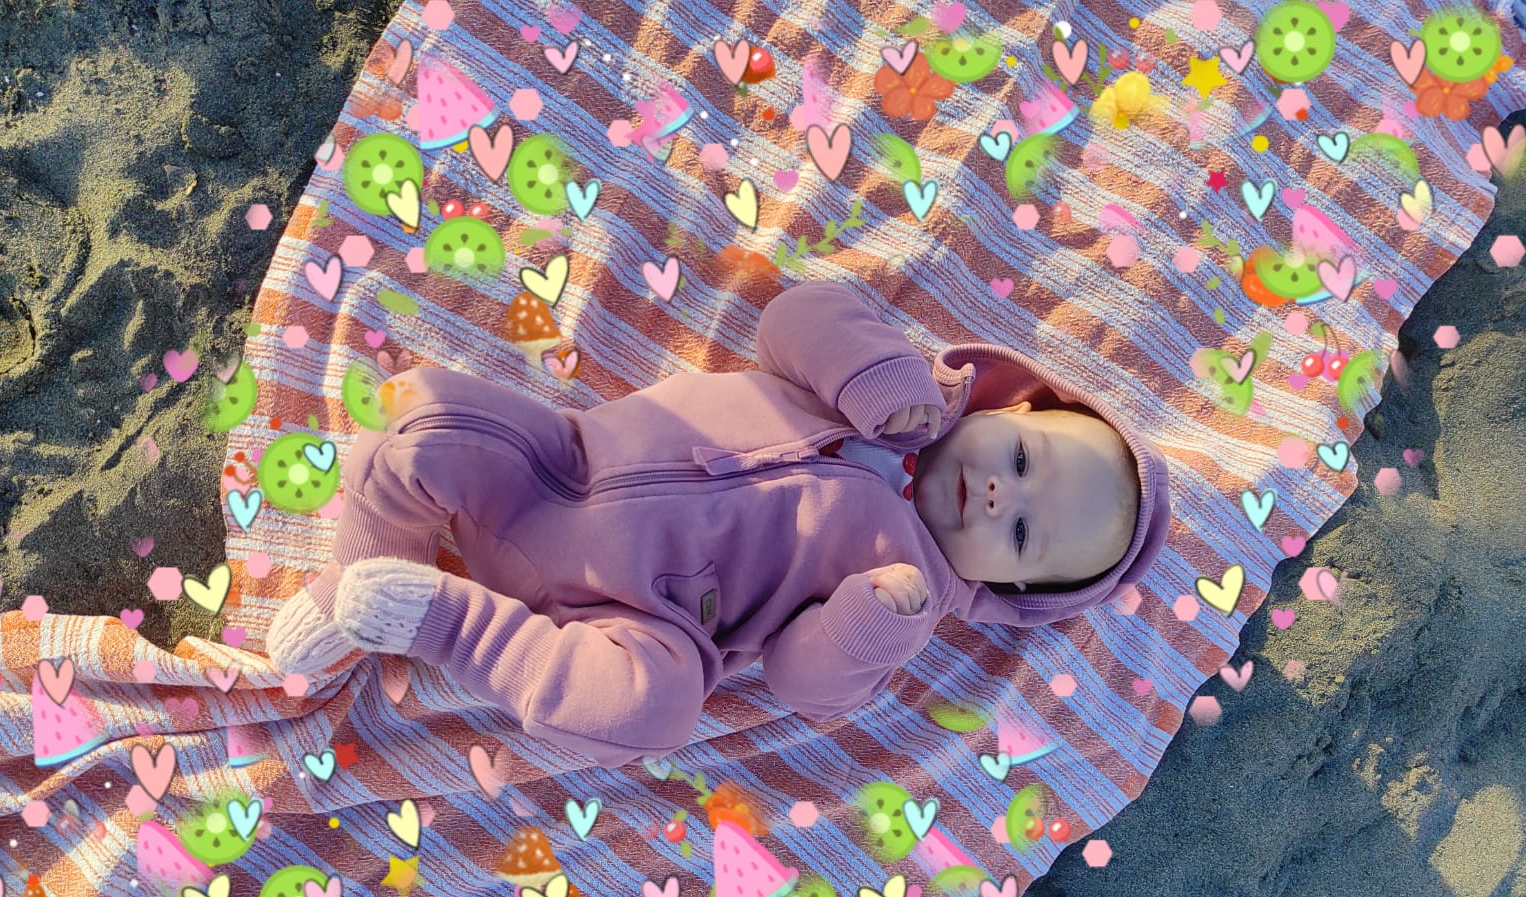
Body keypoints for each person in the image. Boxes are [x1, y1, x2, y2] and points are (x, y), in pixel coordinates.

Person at [266, 280, 1171, 768]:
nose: (1002, 496)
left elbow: (802, 679)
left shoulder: (911, 597)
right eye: (1023, 461)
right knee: (421, 423)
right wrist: (874, 376)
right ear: (1012, 408)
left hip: (643, 621)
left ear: (1007, 586)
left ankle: (445, 620)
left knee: (650, 712)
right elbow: (794, 317)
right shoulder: (898, 391)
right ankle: (360, 582)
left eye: (1023, 536)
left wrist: (866, 628)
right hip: (560, 467)